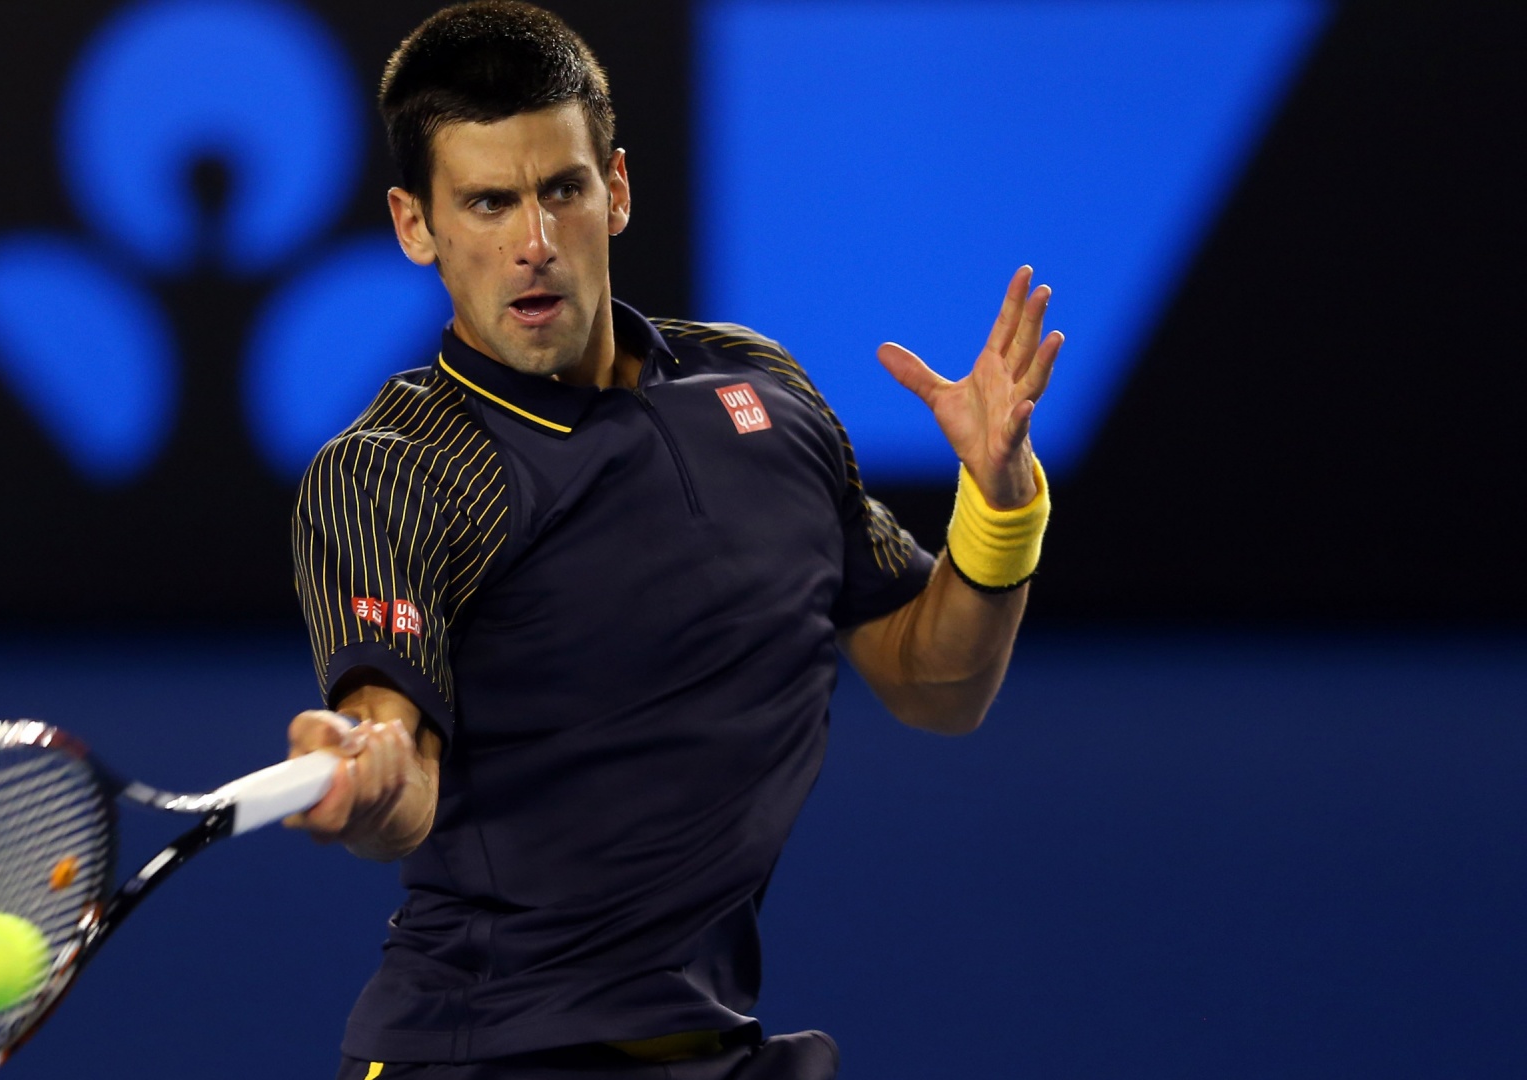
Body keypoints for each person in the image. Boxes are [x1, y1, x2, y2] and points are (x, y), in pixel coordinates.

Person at [284, 3, 1060, 1076]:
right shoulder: (394, 470)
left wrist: (1002, 502)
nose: (536, 243)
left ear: (618, 189)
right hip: (482, 1058)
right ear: (416, 225)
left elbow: (937, 681)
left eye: (562, 189)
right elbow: (398, 762)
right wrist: (365, 775)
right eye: (489, 203)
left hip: (713, 1047)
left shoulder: (762, 393)